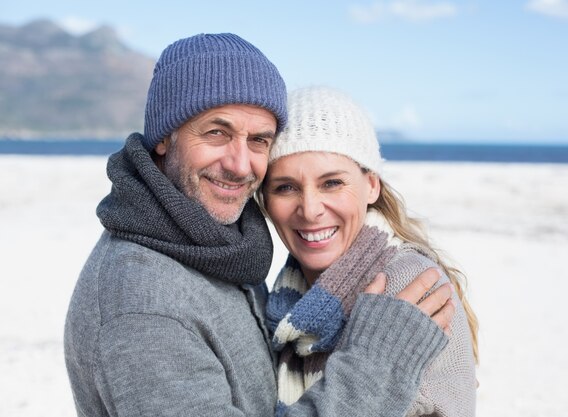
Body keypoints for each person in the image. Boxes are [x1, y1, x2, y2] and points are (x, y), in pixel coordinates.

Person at [64, 33, 456, 417]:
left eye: (258, 140)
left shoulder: (218, 248)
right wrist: (376, 366)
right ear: (165, 137)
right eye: (217, 132)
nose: (239, 164)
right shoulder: (143, 303)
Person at [259, 86, 479, 416]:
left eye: (331, 183)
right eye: (285, 187)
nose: (309, 209)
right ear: (265, 200)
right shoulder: (289, 297)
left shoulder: (407, 283)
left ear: (372, 185)